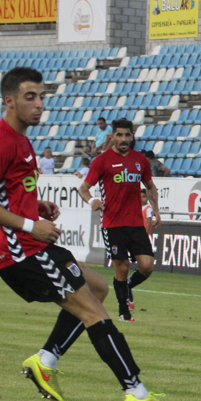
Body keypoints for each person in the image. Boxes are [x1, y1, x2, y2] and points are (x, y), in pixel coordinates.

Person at [0, 67, 176, 401]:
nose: (39, 104)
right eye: (30, 97)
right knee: (94, 312)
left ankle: (46, 360)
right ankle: (135, 391)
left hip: (31, 244)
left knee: (97, 288)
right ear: (9, 101)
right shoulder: (0, 139)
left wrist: (36, 207)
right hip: (20, 250)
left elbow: (8, 193)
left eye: (41, 96)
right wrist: (29, 224)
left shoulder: (21, 140)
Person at [80, 118, 159, 323]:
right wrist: (92, 201)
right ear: (112, 136)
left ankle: (128, 287)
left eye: (127, 135)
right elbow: (83, 189)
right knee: (121, 266)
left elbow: (150, 186)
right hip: (112, 223)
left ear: (132, 136)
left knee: (147, 265)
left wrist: (156, 210)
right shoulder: (102, 161)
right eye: (119, 135)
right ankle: (124, 311)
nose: (123, 139)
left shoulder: (139, 160)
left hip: (135, 223)